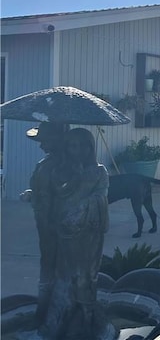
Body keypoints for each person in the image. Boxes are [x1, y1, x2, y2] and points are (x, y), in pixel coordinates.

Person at [37, 128, 115, 340]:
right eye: (72, 145)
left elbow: (102, 196)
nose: (77, 150)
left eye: (82, 145)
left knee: (85, 276)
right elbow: (58, 192)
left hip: (88, 234)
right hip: (66, 231)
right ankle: (58, 320)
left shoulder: (99, 171)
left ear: (90, 147)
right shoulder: (63, 171)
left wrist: (84, 206)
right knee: (64, 276)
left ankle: (87, 320)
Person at [22, 122, 69, 329]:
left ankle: (54, 312)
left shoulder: (66, 165)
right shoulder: (46, 162)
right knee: (47, 262)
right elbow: (42, 188)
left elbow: (67, 194)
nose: (42, 146)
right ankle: (46, 308)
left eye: (46, 141)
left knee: (56, 264)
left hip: (57, 223)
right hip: (43, 221)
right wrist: (33, 194)